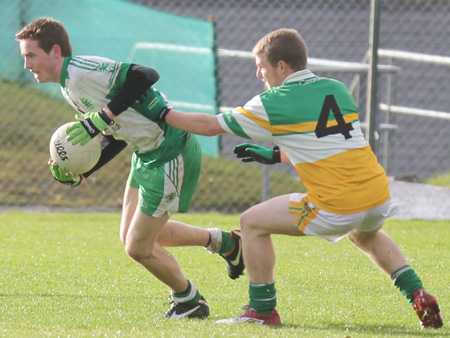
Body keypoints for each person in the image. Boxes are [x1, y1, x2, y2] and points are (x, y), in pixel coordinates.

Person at [143, 28, 443, 328]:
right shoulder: (335, 88)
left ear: (282, 66)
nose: (258, 73)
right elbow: (330, 144)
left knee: (251, 223)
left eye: (261, 65)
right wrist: (273, 155)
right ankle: (416, 292)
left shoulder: (274, 101)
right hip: (377, 195)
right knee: (365, 234)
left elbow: (209, 126)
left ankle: (261, 311)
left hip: (337, 204)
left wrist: (161, 112)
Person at [15, 17, 245, 319]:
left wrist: (103, 116)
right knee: (132, 237)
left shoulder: (81, 72)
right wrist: (84, 171)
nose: (26, 65)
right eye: (24, 57)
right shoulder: (68, 88)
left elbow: (146, 75)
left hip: (168, 150)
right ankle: (227, 242)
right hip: (145, 153)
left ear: (55, 51)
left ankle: (190, 301)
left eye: (31, 55)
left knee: (138, 247)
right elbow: (117, 132)